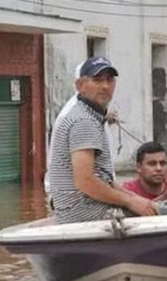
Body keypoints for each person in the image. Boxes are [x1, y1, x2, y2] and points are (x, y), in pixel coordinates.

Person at [47, 56, 156, 223]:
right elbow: (85, 181)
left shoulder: (88, 115)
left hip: (80, 209)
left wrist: (134, 198)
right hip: (85, 212)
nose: (105, 86)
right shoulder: (84, 121)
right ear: (80, 86)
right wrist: (130, 201)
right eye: (97, 80)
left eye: (110, 80)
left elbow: (103, 178)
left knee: (156, 206)